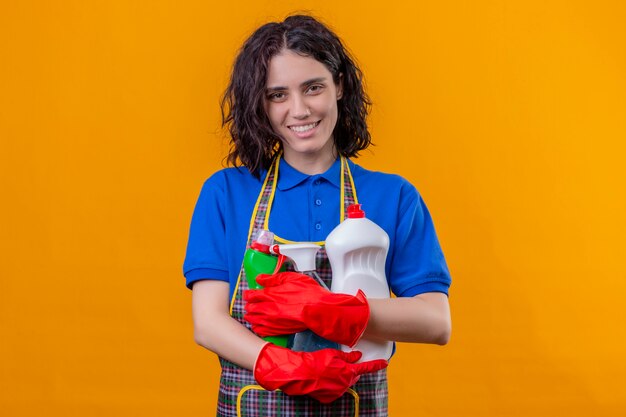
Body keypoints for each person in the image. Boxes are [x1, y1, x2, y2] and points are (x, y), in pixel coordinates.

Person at [184, 14, 451, 417]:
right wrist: (279, 363)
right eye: (277, 95)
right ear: (260, 102)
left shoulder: (392, 196)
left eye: (313, 88)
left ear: (339, 85)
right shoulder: (225, 193)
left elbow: (435, 321)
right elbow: (208, 322)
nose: (299, 109)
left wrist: (336, 311)